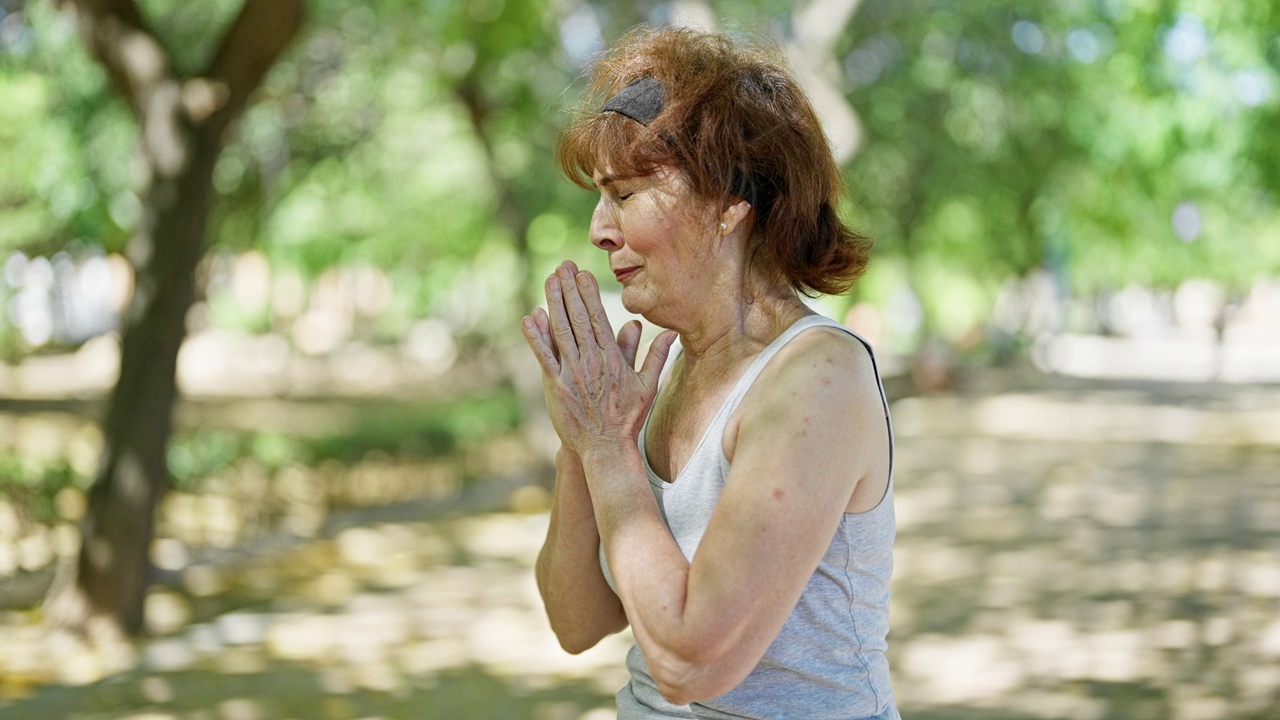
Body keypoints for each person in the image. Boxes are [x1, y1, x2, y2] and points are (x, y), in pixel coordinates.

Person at [520, 26, 899, 720]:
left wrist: (608, 448)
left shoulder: (817, 377)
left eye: (626, 194)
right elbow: (576, 622)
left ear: (729, 202)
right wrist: (582, 440)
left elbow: (693, 662)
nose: (599, 231)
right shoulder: (667, 376)